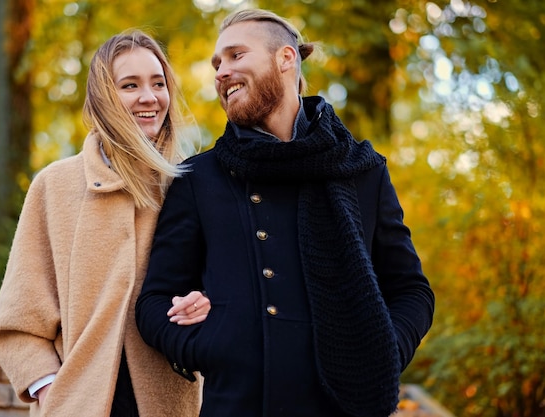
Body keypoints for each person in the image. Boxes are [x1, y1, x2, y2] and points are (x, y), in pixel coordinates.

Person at [136, 8, 435, 417]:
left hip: (344, 406)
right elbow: (153, 303)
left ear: (286, 59)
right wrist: (214, 345)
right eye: (217, 64)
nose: (222, 72)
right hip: (239, 406)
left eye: (237, 55)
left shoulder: (362, 170)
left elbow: (411, 291)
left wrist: (381, 351)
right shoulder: (199, 178)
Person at [0, 30, 210, 417]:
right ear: (104, 97)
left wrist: (204, 303)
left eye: (158, 83)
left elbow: (229, 293)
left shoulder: (191, 186)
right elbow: (16, 324)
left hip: (173, 404)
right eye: (130, 85)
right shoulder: (54, 187)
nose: (149, 97)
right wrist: (52, 390)